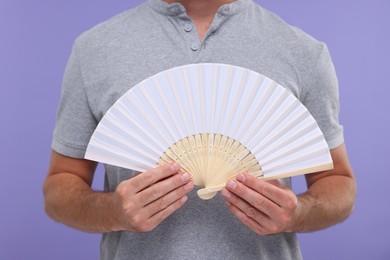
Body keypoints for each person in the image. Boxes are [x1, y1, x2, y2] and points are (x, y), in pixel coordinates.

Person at [43, 0, 357, 259]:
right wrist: (113, 211)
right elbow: (59, 188)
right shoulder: (94, 50)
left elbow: (338, 183)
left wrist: (298, 211)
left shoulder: (305, 53)